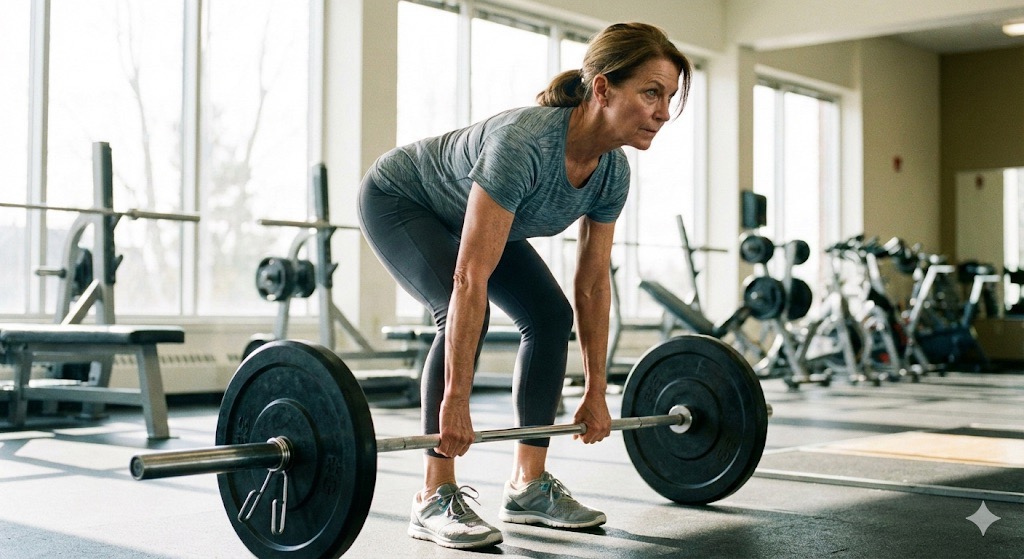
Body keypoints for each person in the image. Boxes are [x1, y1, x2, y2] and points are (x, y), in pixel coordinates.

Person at [357, 21, 692, 550]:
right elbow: (470, 277)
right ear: (602, 88)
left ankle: (528, 486)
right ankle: (433, 494)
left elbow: (591, 286)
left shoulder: (612, 173)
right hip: (404, 201)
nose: (663, 112)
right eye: (651, 92)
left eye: (669, 97)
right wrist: (456, 399)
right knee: (460, 304)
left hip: (484, 216)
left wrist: (597, 392)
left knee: (550, 315)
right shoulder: (525, 143)